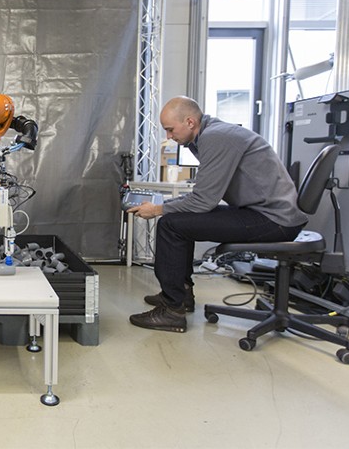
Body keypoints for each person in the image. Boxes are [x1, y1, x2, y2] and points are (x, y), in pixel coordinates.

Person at [126, 96, 307, 332]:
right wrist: (165, 204)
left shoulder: (216, 137)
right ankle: (182, 295)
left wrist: (158, 209)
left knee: (171, 224)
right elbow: (201, 197)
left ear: (190, 122)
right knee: (179, 221)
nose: (168, 137)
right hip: (262, 212)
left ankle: (171, 311)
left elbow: (202, 201)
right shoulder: (209, 135)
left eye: (170, 130)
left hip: (274, 220)